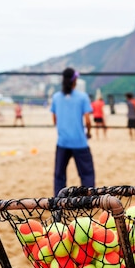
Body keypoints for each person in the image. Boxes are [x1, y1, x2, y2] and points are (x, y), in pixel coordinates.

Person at [50, 67, 95, 196]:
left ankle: (59, 201)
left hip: (63, 141)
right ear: (74, 80)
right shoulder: (82, 97)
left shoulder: (56, 97)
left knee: (59, 175)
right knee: (87, 173)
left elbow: (54, 117)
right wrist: (88, 132)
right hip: (79, 142)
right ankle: (88, 201)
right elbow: (87, 120)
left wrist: (61, 129)